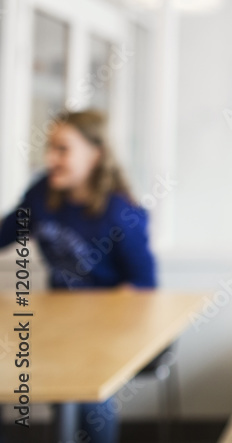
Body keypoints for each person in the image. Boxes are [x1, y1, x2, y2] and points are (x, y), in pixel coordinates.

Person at [0, 109, 156, 443]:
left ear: (94, 154)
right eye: (49, 148)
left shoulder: (120, 213)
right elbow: (6, 232)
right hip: (56, 323)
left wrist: (98, 318)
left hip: (105, 330)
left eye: (62, 149)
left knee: (87, 405)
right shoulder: (42, 194)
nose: (50, 158)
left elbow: (144, 284)